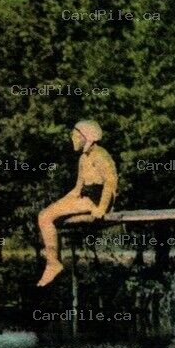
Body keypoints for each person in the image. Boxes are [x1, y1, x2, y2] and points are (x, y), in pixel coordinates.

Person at [36, 119, 118, 288]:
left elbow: (110, 182)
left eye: (75, 136)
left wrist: (102, 207)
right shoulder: (83, 158)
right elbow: (77, 189)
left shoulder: (100, 155)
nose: (73, 140)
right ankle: (53, 262)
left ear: (87, 137)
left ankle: (53, 264)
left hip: (96, 200)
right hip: (85, 198)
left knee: (46, 217)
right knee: (45, 215)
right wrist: (57, 205)